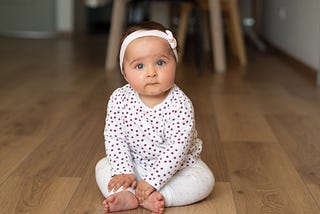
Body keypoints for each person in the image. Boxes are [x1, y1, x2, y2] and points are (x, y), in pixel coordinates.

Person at [95, 21, 214, 213]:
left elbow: (178, 147)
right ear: (124, 73)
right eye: (139, 66)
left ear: (175, 63)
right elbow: (115, 137)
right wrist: (123, 170)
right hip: (135, 165)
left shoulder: (180, 104)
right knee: (102, 167)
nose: (151, 73)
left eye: (160, 63)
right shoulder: (119, 99)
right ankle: (126, 193)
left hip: (178, 169)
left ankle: (160, 196)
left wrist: (153, 180)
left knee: (205, 180)